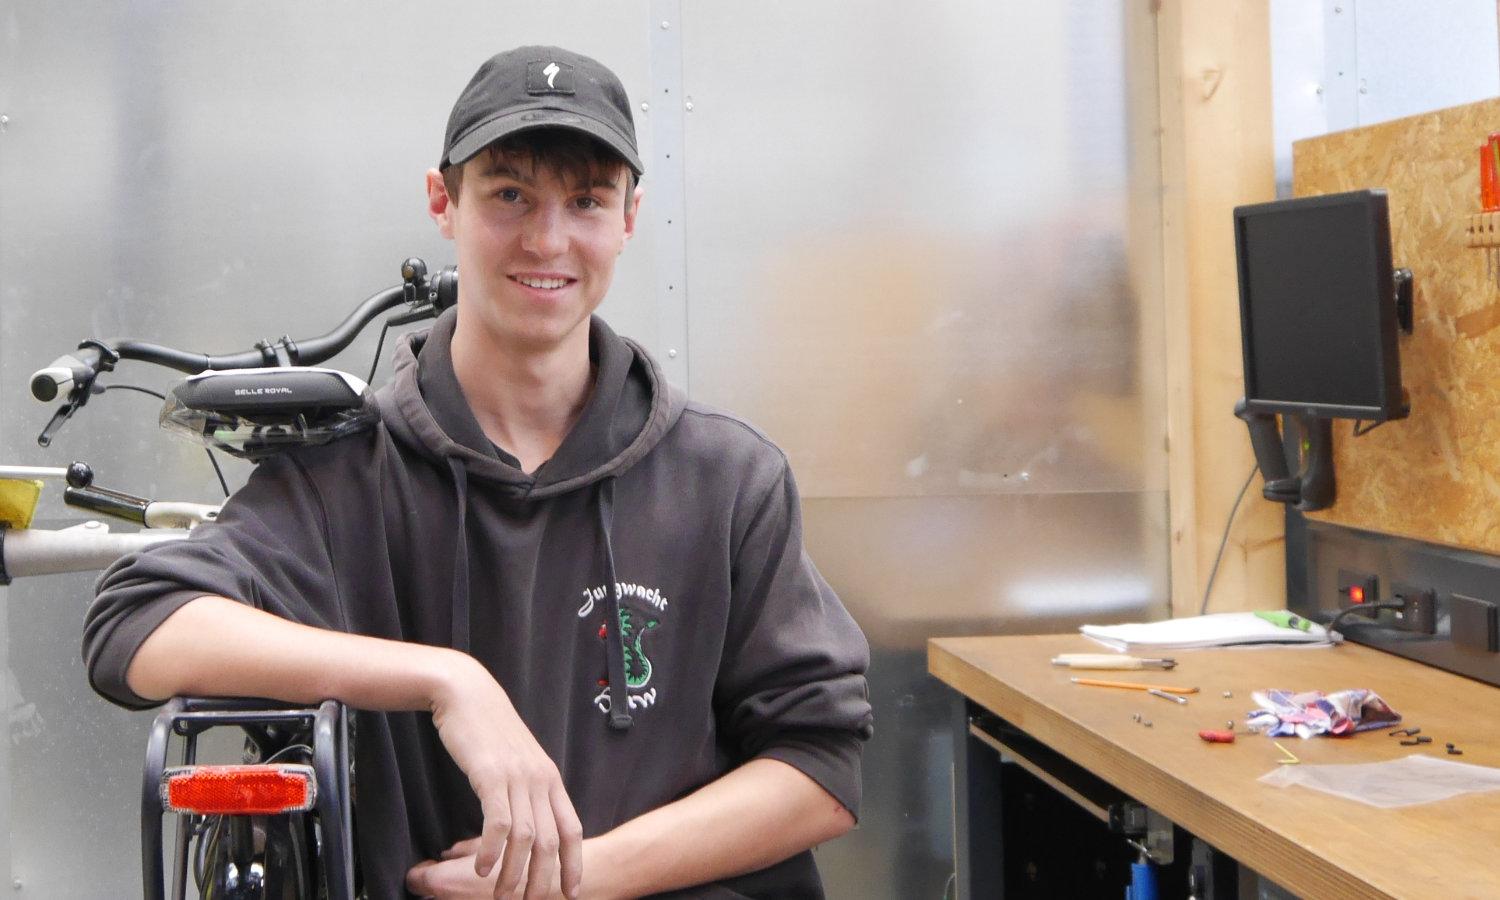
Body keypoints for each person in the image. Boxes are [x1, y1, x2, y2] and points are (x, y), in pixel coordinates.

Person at [82, 45, 873, 899]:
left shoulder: (726, 479)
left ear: (630, 217)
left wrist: (577, 878)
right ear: (442, 202)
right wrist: (445, 681)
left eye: (586, 200)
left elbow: (819, 768)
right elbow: (136, 628)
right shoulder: (344, 476)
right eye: (509, 195)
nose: (548, 239)